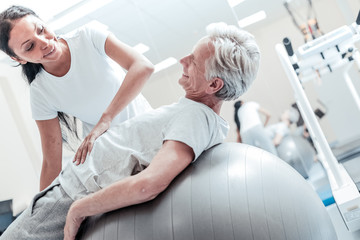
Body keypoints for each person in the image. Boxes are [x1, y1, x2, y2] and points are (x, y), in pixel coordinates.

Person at [0, 22, 260, 240]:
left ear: (214, 84)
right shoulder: (194, 112)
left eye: (192, 61)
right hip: (66, 190)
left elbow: (150, 184)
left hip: (71, 195)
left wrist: (79, 209)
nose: (182, 59)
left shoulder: (197, 119)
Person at [0, 5, 154, 191]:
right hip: (110, 155)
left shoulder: (87, 37)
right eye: (30, 46)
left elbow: (143, 66)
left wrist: (105, 120)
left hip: (146, 132)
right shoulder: (40, 91)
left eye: (41, 30)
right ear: (19, 59)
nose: (45, 43)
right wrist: (39, 206)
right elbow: (51, 162)